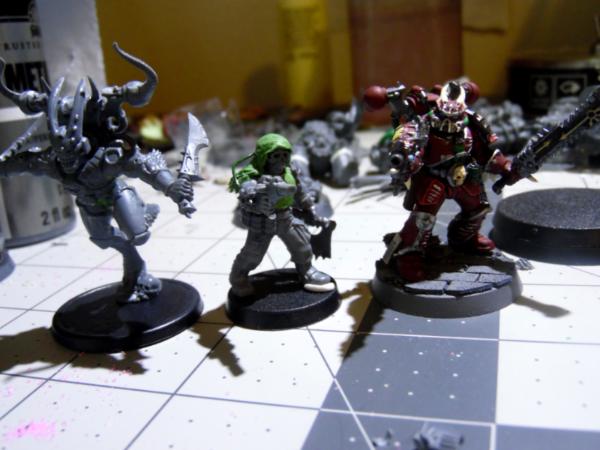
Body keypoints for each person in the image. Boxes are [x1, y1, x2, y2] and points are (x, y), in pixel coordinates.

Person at [228, 133, 334, 296]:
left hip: (286, 217)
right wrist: (251, 191)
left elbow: (299, 191)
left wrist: (310, 209)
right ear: (264, 156)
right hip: (262, 223)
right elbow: (246, 190)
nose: (281, 160)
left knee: (302, 245)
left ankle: (307, 271)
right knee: (252, 255)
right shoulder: (253, 175)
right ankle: (238, 278)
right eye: (276, 156)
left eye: (285, 155)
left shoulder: (290, 171)